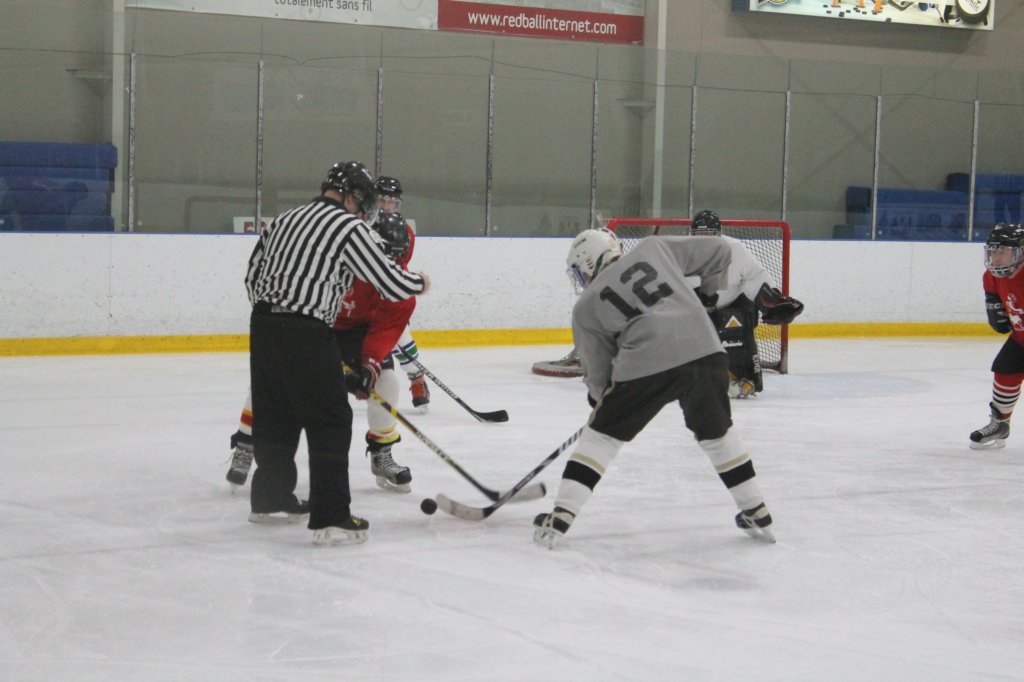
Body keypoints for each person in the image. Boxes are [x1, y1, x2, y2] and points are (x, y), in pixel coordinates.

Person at [533, 228, 775, 549]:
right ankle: (756, 509)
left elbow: (598, 372)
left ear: (589, 263)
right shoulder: (655, 248)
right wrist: (707, 297)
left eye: (580, 272)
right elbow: (721, 250)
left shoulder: (586, 306)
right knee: (718, 435)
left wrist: (602, 406)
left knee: (601, 438)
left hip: (645, 366)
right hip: (707, 351)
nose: (581, 279)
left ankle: (562, 514)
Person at [245, 161, 427, 547]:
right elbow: (390, 281)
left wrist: (278, 309)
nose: (364, 212)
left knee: (277, 413)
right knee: (331, 420)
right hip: (309, 328)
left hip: (263, 325)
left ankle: (270, 498)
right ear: (351, 197)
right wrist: (420, 282)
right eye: (363, 204)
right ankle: (332, 518)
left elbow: (252, 277)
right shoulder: (347, 227)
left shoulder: (284, 219)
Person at [226, 211, 420, 494]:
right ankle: (245, 444)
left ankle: (382, 452)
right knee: (274, 380)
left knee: (386, 382)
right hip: (315, 322)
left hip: (358, 334)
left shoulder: (400, 285)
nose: (388, 265)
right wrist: (318, 346)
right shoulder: (337, 263)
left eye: (395, 257)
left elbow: (385, 329)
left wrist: (370, 363)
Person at [689, 209, 804, 398]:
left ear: (719, 234)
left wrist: (772, 302)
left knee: (742, 325)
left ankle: (747, 376)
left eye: (709, 234)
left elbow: (755, 276)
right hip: (699, 310)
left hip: (733, 304)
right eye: (700, 234)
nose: (705, 240)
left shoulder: (735, 249)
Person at [375, 175, 431, 413]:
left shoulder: (405, 231)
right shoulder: (361, 225)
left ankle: (417, 378)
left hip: (394, 293)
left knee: (401, 341)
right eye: (382, 200)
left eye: (392, 201)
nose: (387, 206)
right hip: (363, 294)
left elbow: (399, 265)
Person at [970, 222, 1024, 449]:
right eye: (993, 251)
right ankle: (1000, 424)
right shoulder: (991, 277)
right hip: (1021, 338)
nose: (996, 258)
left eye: (1003, 252)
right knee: (1005, 367)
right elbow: (1000, 317)